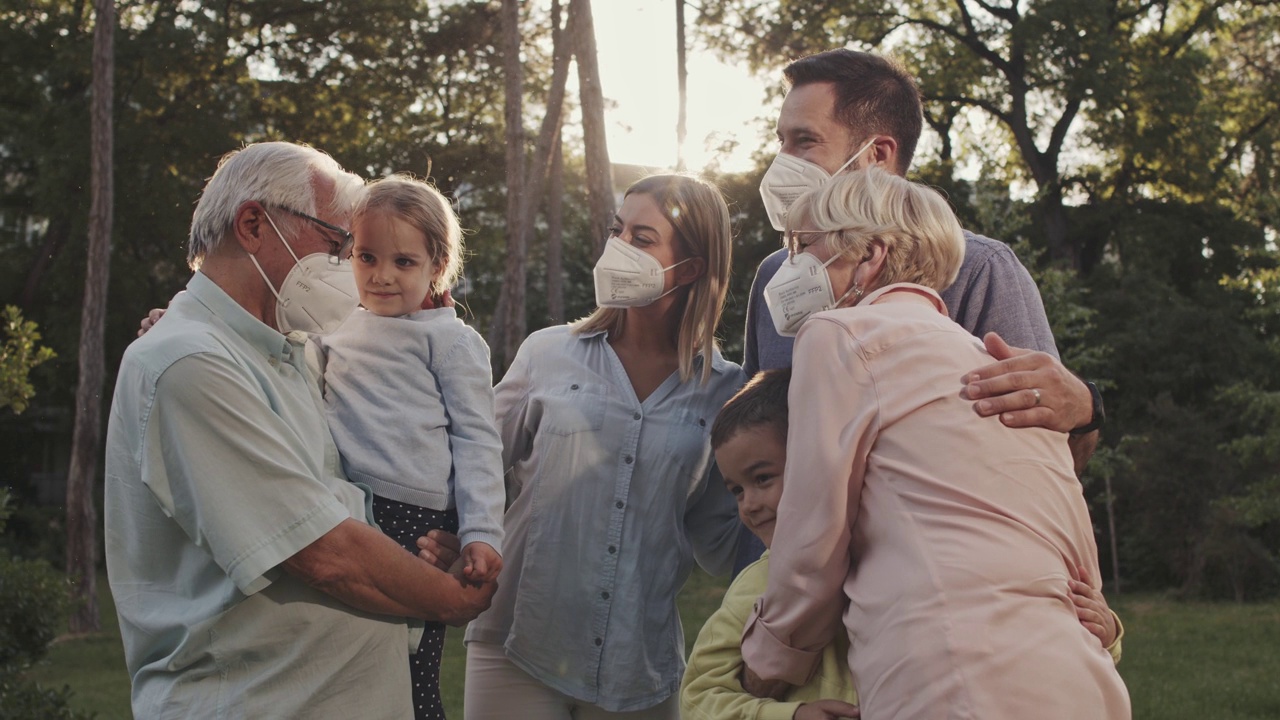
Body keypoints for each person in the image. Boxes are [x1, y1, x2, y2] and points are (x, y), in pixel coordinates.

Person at [104, 142, 495, 719]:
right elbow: (326, 554)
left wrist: (445, 531)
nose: (348, 265)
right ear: (254, 224)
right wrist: (457, 598)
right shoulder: (191, 362)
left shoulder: (288, 347)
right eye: (337, 243)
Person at [739, 167, 1130, 718]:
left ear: (869, 255)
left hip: (949, 671)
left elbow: (812, 537)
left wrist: (769, 661)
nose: (790, 264)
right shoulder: (997, 366)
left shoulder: (838, 334)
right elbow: (1068, 526)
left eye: (803, 246)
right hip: (1077, 675)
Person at [736, 49, 1104, 573]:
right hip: (777, 587)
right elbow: (749, 442)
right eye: (781, 141)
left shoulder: (980, 271)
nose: (780, 163)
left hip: (915, 593)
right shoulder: (776, 274)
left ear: (877, 155)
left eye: (805, 142)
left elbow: (1047, 454)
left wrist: (1088, 408)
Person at [682, 368, 1124, 720]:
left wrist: (1107, 632)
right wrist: (789, 714)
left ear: (818, 461)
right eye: (737, 490)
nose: (751, 506)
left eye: (762, 479)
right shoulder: (756, 584)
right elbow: (700, 698)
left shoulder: (909, 556)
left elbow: (1036, 634)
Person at [462, 174, 745, 719]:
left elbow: (720, 534)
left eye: (642, 238)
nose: (618, 249)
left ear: (688, 268)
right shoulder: (546, 353)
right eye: (617, 232)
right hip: (516, 641)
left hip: (637, 664)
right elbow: (477, 466)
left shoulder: (725, 390)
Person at [312, 174, 505, 720]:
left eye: (403, 262)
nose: (381, 276)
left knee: (411, 667)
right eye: (367, 256)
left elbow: (477, 440)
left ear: (437, 267)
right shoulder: (333, 324)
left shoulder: (451, 340)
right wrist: (170, 313)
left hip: (416, 515)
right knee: (355, 663)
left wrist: (482, 532)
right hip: (347, 505)